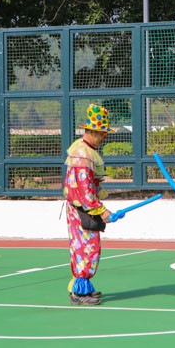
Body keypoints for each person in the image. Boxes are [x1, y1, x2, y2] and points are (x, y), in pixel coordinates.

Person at [63, 104, 113, 305]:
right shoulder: (83, 155)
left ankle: (83, 288)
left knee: (87, 247)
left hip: (81, 208)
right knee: (86, 248)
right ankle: (79, 292)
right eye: (102, 134)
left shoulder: (84, 150)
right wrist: (101, 210)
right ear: (92, 132)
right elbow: (83, 190)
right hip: (82, 209)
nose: (104, 138)